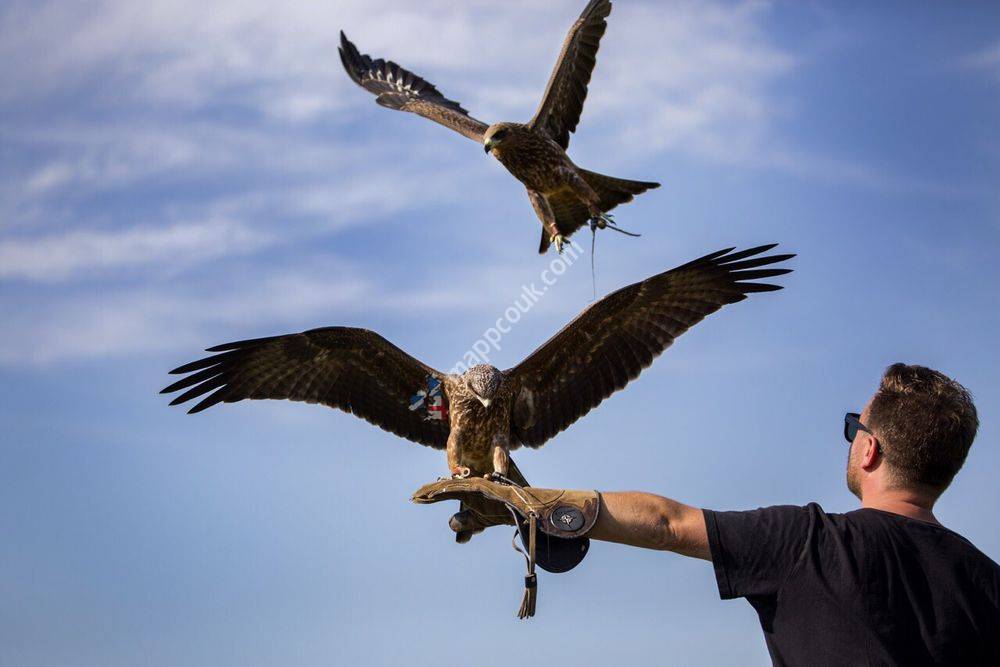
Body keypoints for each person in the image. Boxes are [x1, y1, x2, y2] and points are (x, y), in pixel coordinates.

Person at [415, 363, 999, 665]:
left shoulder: (808, 543)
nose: (851, 439)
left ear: (869, 450)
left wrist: (533, 503)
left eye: (855, 429)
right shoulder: (988, 584)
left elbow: (668, 523)